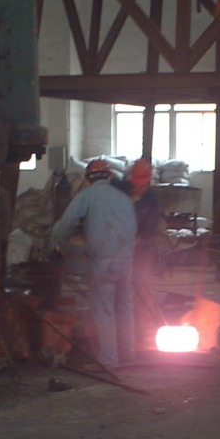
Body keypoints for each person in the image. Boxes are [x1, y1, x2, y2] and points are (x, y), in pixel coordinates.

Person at [49, 158, 138, 370]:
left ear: (88, 179)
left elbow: (66, 224)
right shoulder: (124, 199)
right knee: (124, 306)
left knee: (104, 311)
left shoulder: (86, 196)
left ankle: (108, 360)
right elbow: (133, 228)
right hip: (126, 261)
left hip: (104, 262)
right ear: (109, 177)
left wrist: (55, 244)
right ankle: (128, 353)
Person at [125, 158, 162, 351]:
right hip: (121, 249)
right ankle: (125, 334)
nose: (140, 186)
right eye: (137, 182)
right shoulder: (121, 191)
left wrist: (138, 240)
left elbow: (150, 230)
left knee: (143, 290)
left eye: (143, 182)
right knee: (123, 292)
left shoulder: (151, 201)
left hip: (143, 251)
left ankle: (145, 332)